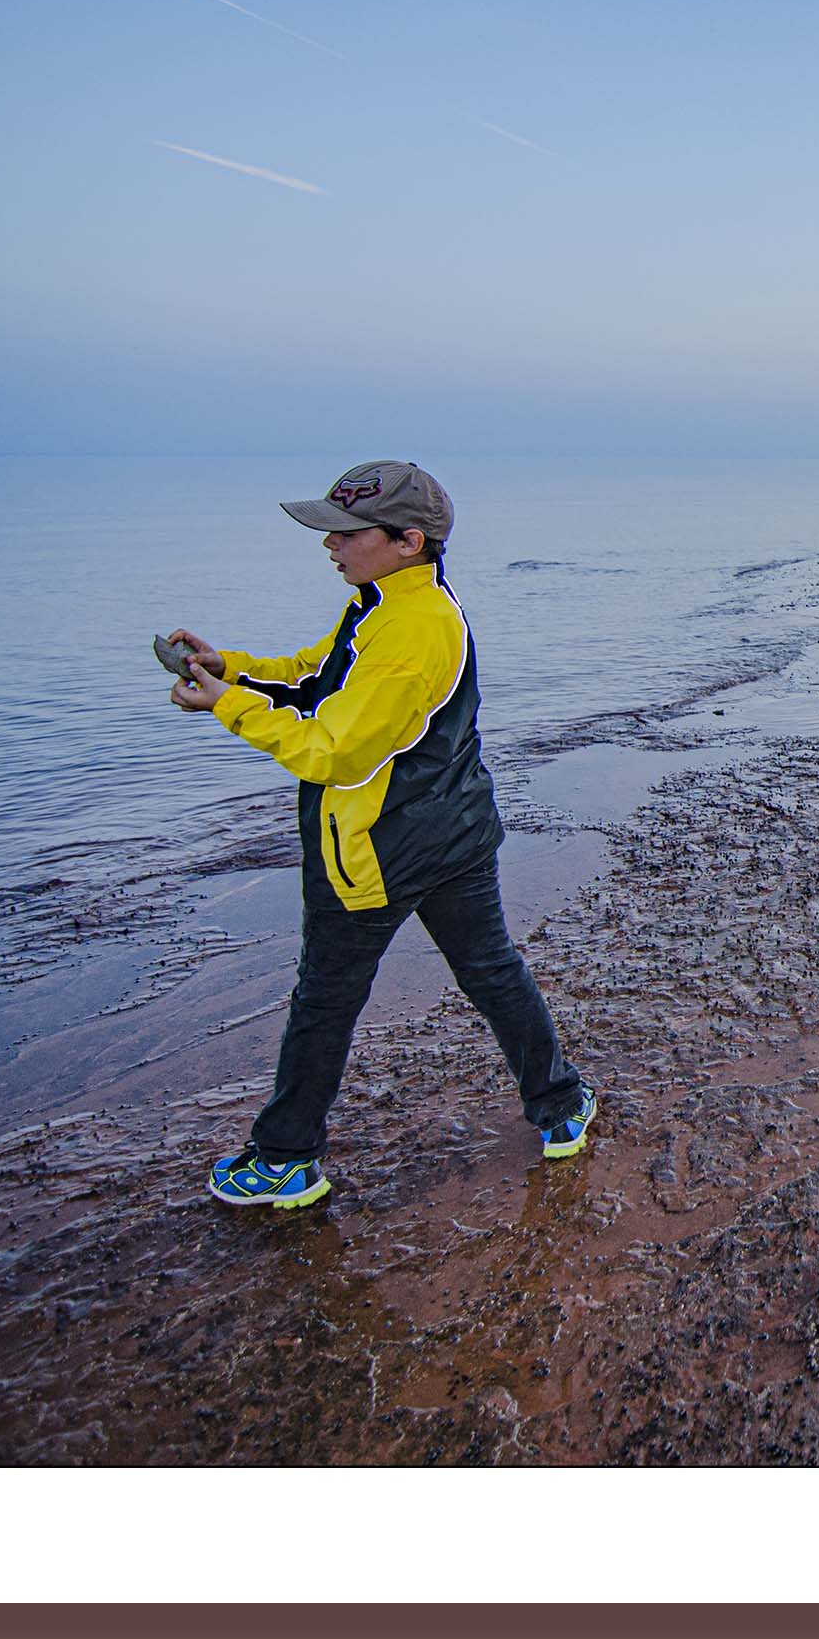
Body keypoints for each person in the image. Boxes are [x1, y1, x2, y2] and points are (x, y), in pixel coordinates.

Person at [165, 459, 593, 1208]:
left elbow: (333, 751)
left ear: (407, 540)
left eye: (345, 532)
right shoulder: (386, 604)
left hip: (376, 850)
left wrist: (228, 707)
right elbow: (316, 677)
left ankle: (286, 1159)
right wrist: (230, 668)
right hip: (454, 830)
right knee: (490, 970)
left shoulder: (410, 631)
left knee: (326, 998)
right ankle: (561, 1103)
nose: (328, 544)